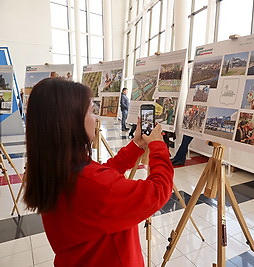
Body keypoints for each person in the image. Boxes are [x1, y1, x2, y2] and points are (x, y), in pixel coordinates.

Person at [23, 78, 174, 266]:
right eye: (91, 112)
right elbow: (158, 190)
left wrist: (137, 146)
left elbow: (102, 176)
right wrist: (158, 146)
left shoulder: (55, 167)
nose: (95, 119)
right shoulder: (92, 183)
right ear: (70, 120)